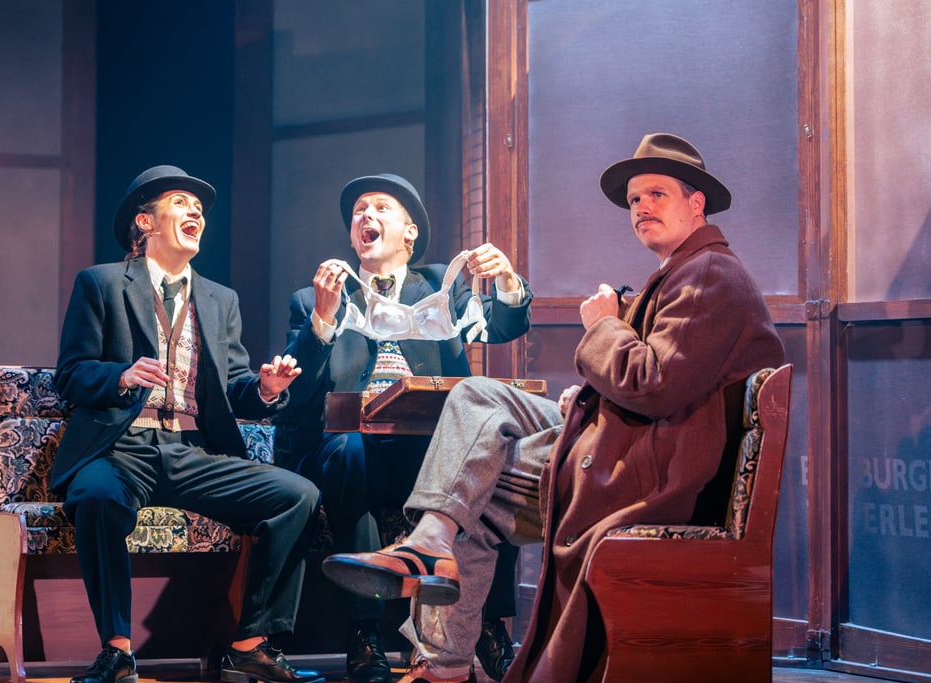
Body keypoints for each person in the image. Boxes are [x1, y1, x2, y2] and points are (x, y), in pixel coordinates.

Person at [321, 133, 787, 683]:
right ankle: (432, 548)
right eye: (635, 199)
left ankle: (442, 653)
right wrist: (593, 392)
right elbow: (663, 379)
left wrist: (603, 326)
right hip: (632, 441)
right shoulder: (687, 270)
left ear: (696, 202)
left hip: (650, 470)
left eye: (657, 194)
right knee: (476, 396)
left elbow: (653, 384)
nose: (641, 208)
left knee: (473, 488)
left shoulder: (708, 272)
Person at [51, 165, 326, 683]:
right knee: (97, 496)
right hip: (121, 447)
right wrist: (121, 376)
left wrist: (266, 389)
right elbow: (71, 374)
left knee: (299, 495)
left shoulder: (221, 300)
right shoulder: (101, 283)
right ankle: (117, 650)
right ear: (145, 222)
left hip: (193, 450)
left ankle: (249, 646)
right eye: (180, 202)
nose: (195, 211)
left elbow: (234, 386)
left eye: (199, 208)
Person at [274, 173, 533, 683]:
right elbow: (298, 396)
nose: (365, 217)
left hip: (432, 451)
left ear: (409, 233)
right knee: (348, 450)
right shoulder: (315, 297)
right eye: (359, 211)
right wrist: (323, 320)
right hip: (354, 453)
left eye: (380, 208)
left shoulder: (439, 285)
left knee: (491, 458)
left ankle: (489, 627)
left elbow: (504, 325)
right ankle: (365, 632)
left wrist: (505, 280)